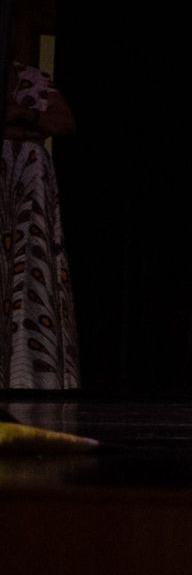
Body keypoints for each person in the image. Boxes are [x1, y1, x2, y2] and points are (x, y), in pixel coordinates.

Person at [3, 60, 78, 388]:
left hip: (26, 187)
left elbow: (64, 123)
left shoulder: (30, 78)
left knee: (26, 271)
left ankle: (26, 374)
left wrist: (25, 116)